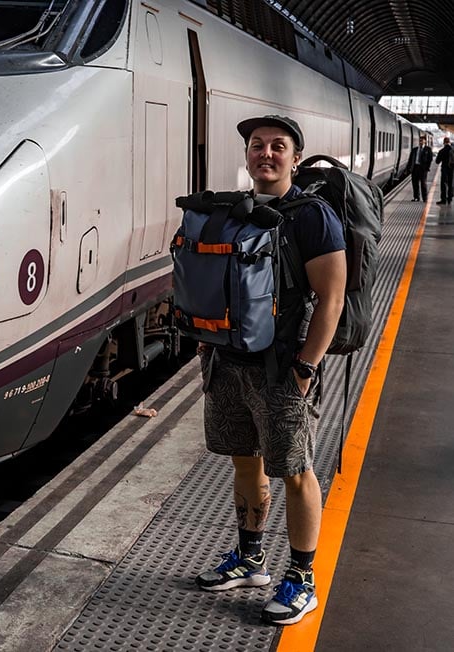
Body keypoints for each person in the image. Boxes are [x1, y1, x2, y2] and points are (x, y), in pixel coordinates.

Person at [194, 115, 347, 626]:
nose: (265, 154)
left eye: (278, 146)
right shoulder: (234, 211)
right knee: (245, 461)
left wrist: (306, 367)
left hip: (284, 368)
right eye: (257, 146)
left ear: (295, 158)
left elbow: (332, 298)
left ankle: (303, 580)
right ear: (247, 156)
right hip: (228, 362)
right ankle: (252, 558)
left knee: (297, 472)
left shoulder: (313, 216)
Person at [408, 134, 432, 202]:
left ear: (425, 141)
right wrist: (409, 168)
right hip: (415, 168)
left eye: (422, 140)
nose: (420, 142)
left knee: (423, 184)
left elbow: (430, 159)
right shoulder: (415, 149)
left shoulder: (428, 149)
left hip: (423, 169)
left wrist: (427, 167)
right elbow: (410, 159)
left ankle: (425, 198)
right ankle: (416, 197)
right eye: (420, 140)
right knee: (415, 183)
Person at [436, 136, 454, 204]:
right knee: (451, 183)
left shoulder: (442, 151)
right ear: (449, 142)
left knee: (444, 184)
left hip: (444, 169)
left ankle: (443, 199)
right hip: (452, 169)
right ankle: (449, 199)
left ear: (444, 142)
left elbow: (437, 161)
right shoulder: (453, 149)